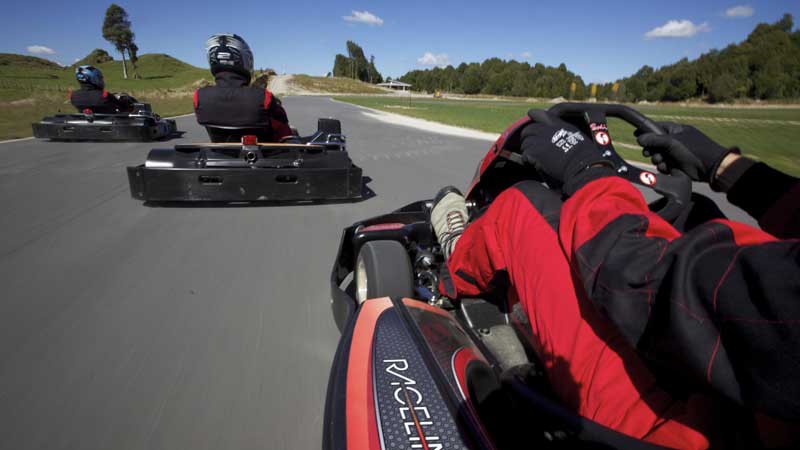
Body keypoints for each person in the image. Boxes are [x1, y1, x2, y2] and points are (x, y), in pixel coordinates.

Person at [430, 111, 799, 449]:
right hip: (746, 398)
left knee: (522, 207)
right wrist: (727, 168)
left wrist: (588, 170)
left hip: (689, 424)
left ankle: (452, 265)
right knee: (695, 214)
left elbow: (643, 280)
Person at [194, 33, 292, 143]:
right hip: (263, 156)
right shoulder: (263, 97)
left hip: (218, 156)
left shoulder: (199, 96)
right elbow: (284, 130)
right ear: (246, 60)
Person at [70, 65, 136, 114]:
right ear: (93, 78)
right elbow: (122, 105)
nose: (101, 80)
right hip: (110, 126)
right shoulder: (104, 95)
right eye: (100, 78)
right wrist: (126, 100)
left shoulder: (73, 95)